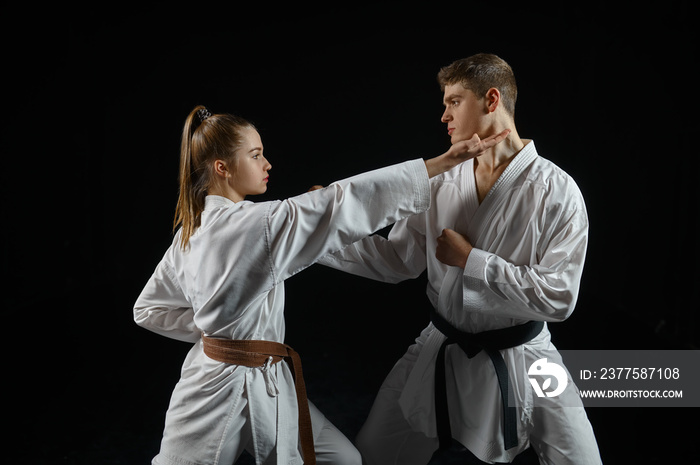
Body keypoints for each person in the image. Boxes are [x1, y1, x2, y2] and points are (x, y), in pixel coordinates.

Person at [133, 105, 509, 465]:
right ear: (223, 168)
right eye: (255, 155)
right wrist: (442, 163)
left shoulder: (192, 228)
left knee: (342, 459)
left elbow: (148, 309)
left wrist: (210, 330)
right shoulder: (255, 224)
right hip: (214, 389)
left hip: (266, 377)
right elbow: (341, 203)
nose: (267, 164)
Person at [318, 54, 602, 464]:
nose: (443, 115)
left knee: (581, 459)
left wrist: (472, 260)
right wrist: (321, 235)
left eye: (454, 101)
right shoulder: (442, 181)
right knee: (375, 453)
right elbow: (396, 260)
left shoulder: (557, 191)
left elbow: (559, 297)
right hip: (440, 344)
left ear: (491, 100)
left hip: (525, 353)